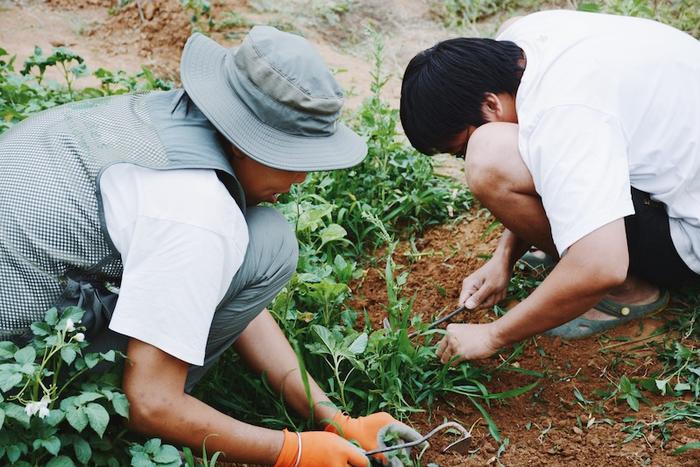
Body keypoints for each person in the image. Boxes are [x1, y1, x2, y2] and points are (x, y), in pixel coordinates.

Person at [0, 27, 422, 466]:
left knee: (257, 233)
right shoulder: (197, 210)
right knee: (271, 241)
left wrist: (334, 419)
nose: (301, 179)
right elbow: (150, 403)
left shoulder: (162, 117)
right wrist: (292, 452)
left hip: (32, 301)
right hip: (24, 377)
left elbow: (217, 287)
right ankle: (92, 423)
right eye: (293, 159)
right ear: (244, 141)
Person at [399, 10, 700, 362]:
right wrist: (503, 259)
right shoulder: (524, 37)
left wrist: (493, 335)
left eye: (460, 148)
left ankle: (628, 294)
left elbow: (601, 265)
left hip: (689, 234)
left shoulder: (564, 112)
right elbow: (548, 155)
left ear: (490, 104)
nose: (464, 158)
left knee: (489, 157)